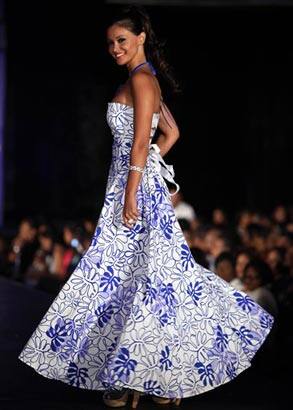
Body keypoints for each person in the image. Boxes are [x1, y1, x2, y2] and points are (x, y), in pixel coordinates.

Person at [18, 5, 275, 409]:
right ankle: (143, 375)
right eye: (109, 43)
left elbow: (141, 142)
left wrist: (133, 188)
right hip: (136, 186)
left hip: (132, 191)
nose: (114, 48)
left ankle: (139, 376)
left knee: (134, 276)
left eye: (121, 40)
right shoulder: (145, 79)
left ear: (140, 38)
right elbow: (171, 132)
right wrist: (146, 173)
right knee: (141, 278)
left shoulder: (141, 80)